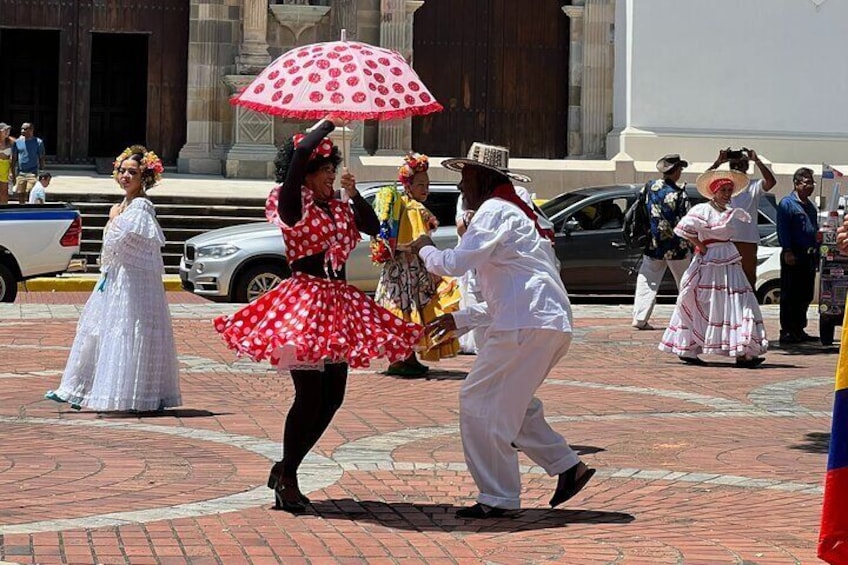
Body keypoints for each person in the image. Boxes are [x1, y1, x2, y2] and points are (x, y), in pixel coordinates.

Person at [213, 118, 422, 514]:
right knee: (308, 397)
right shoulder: (293, 203)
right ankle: (288, 475)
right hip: (305, 306)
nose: (329, 176)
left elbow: (374, 226)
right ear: (306, 175)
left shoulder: (339, 208)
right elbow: (298, 160)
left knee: (334, 397)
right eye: (323, 170)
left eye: (331, 169)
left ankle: (285, 468)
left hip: (338, 306)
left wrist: (353, 192)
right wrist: (325, 126)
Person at [406, 142, 594, 519]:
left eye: (464, 177)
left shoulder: (495, 210)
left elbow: (453, 264)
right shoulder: (516, 213)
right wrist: (459, 320)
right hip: (542, 322)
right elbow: (509, 290)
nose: (460, 187)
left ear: (483, 177)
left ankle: (499, 496)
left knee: (478, 401)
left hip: (527, 324)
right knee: (514, 403)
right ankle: (566, 466)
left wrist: (424, 247)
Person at [45, 145, 181, 411]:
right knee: (97, 330)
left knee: (125, 331)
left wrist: (113, 219)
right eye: (122, 171)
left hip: (132, 283)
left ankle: (122, 394)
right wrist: (114, 217)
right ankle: (78, 389)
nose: (126, 176)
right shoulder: (124, 204)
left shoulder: (141, 205)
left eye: (133, 172)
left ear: (144, 178)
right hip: (117, 279)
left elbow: (125, 239)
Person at [658, 170, 768, 368]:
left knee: (738, 302)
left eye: (729, 190)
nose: (727, 194)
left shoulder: (728, 210)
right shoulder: (703, 209)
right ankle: (688, 348)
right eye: (723, 190)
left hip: (728, 259)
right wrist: (699, 244)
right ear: (714, 192)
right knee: (705, 301)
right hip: (710, 260)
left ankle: (742, 350)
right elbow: (682, 228)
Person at [371, 152, 459, 376]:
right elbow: (418, 241)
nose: (425, 189)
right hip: (408, 271)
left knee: (401, 313)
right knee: (408, 312)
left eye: (427, 184)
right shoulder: (413, 209)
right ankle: (405, 359)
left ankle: (402, 358)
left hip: (397, 270)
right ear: (408, 185)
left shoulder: (404, 205)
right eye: (420, 184)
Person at [632, 154, 693, 330]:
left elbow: (641, 209)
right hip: (677, 246)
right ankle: (687, 318)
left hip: (653, 243)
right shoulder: (680, 194)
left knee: (647, 280)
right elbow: (687, 220)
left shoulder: (650, 187)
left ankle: (640, 318)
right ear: (676, 172)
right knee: (685, 282)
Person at [707, 147, 777, 287]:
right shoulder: (724, 186)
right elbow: (704, 183)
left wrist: (757, 160)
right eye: (734, 165)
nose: (738, 167)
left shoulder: (754, 186)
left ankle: (748, 306)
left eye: (741, 164)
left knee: (748, 278)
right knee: (726, 279)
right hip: (726, 239)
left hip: (747, 240)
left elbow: (771, 182)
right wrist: (718, 163)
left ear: (747, 166)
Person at [777, 167, 819, 344]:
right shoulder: (787, 203)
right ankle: (787, 330)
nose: (810, 186)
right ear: (796, 183)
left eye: (812, 182)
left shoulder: (810, 206)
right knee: (790, 294)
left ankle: (799, 328)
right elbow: (783, 229)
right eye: (806, 182)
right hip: (793, 254)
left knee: (805, 294)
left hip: (809, 256)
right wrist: (787, 250)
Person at [10, 122, 45, 205]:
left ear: (31, 130)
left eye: (25, 129)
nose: (22, 130)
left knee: (30, 191)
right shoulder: (17, 142)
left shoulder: (38, 142)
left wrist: (41, 171)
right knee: (20, 193)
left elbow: (41, 157)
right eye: (22, 128)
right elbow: (14, 158)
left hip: (32, 172)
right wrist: (13, 173)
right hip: (21, 172)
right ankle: (22, 207)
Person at [0, 123, 13, 205]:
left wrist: (11, 171)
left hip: (6, 167)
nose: (7, 132)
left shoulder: (11, 141)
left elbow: (13, 158)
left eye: (8, 130)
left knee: (4, 190)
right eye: (5, 130)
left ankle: (4, 206)